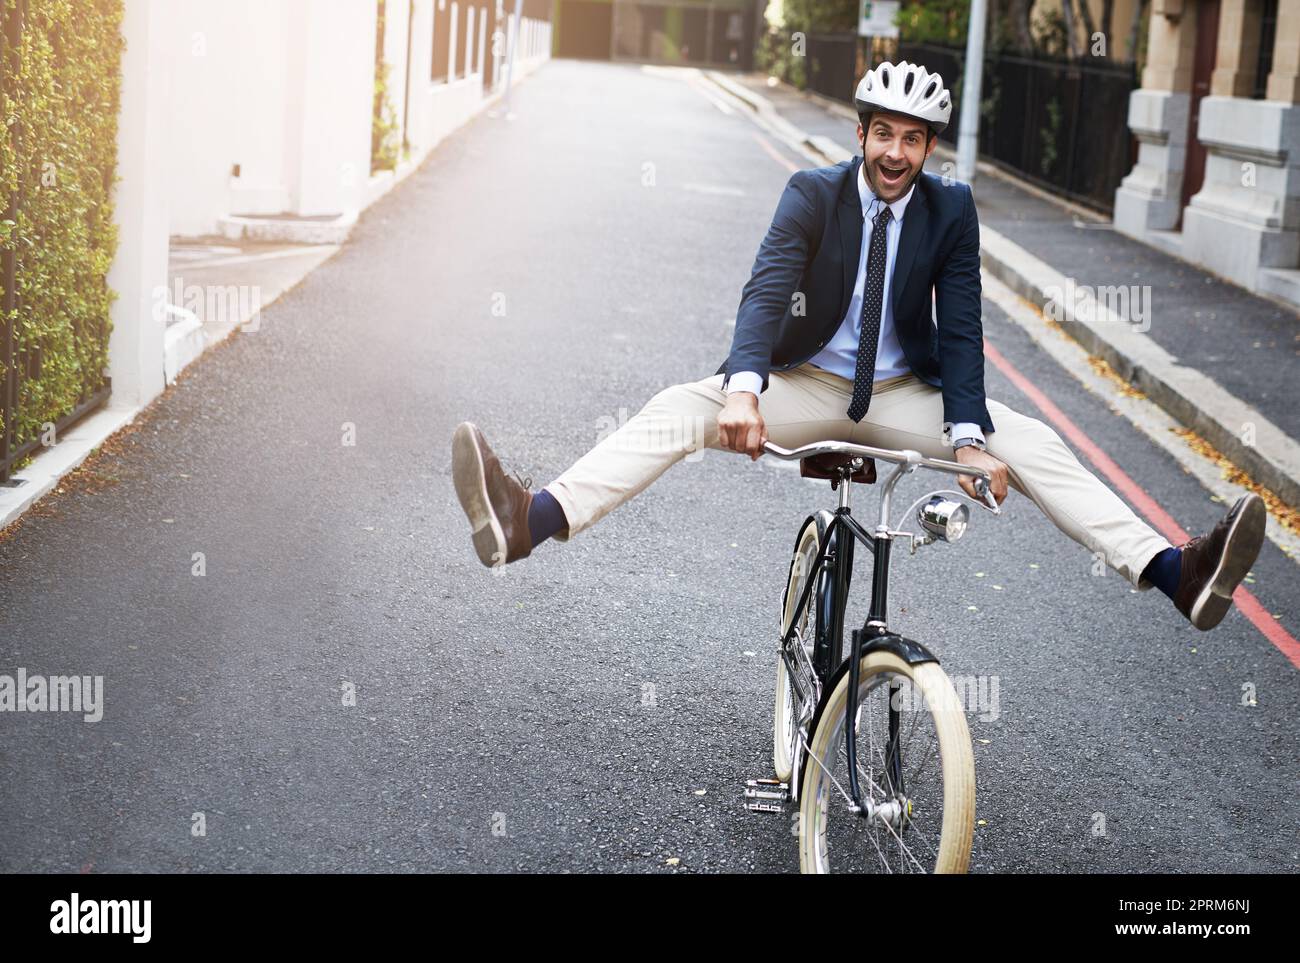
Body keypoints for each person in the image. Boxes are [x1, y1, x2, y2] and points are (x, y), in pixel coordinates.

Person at [451, 60, 1265, 632]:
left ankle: (1175, 574)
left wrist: (970, 441)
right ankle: (533, 519)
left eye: (912, 140)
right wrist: (741, 389)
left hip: (909, 398)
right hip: (804, 384)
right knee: (674, 409)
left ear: (929, 148)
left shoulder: (951, 212)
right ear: (861, 133)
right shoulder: (814, 192)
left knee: (1038, 441)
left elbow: (963, 328)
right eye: (883, 134)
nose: (894, 154)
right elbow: (768, 289)